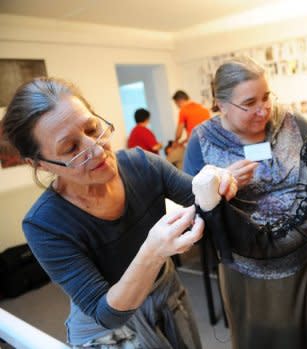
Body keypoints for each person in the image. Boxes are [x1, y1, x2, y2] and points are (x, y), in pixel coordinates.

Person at [1, 77, 236, 348]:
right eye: (71, 149)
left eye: (92, 128)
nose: (95, 148)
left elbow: (203, 204)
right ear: (40, 164)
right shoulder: (44, 224)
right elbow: (106, 313)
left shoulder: (142, 165)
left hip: (165, 293)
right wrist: (153, 251)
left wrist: (219, 183)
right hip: (106, 326)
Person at [183, 56, 307, 349]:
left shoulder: (291, 122)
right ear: (221, 104)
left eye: (266, 97)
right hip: (249, 274)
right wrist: (219, 185)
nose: (263, 109)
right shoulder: (202, 140)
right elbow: (192, 209)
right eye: (249, 103)